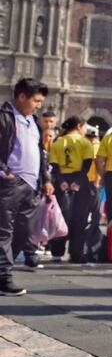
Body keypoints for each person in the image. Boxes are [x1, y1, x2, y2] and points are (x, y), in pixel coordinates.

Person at [0, 79, 54, 293]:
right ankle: (4, 278)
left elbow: (40, 154)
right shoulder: (5, 117)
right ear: (21, 97)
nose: (39, 105)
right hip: (8, 184)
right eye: (36, 100)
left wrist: (46, 179)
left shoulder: (33, 121)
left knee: (24, 230)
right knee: (3, 231)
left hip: (31, 187)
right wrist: (6, 173)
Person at [48, 117, 96, 263]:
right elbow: (86, 164)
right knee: (80, 218)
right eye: (84, 127)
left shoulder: (58, 142)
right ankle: (76, 253)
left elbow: (54, 165)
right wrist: (78, 181)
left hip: (60, 180)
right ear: (79, 126)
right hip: (80, 181)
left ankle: (56, 252)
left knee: (60, 217)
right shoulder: (85, 142)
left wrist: (61, 181)